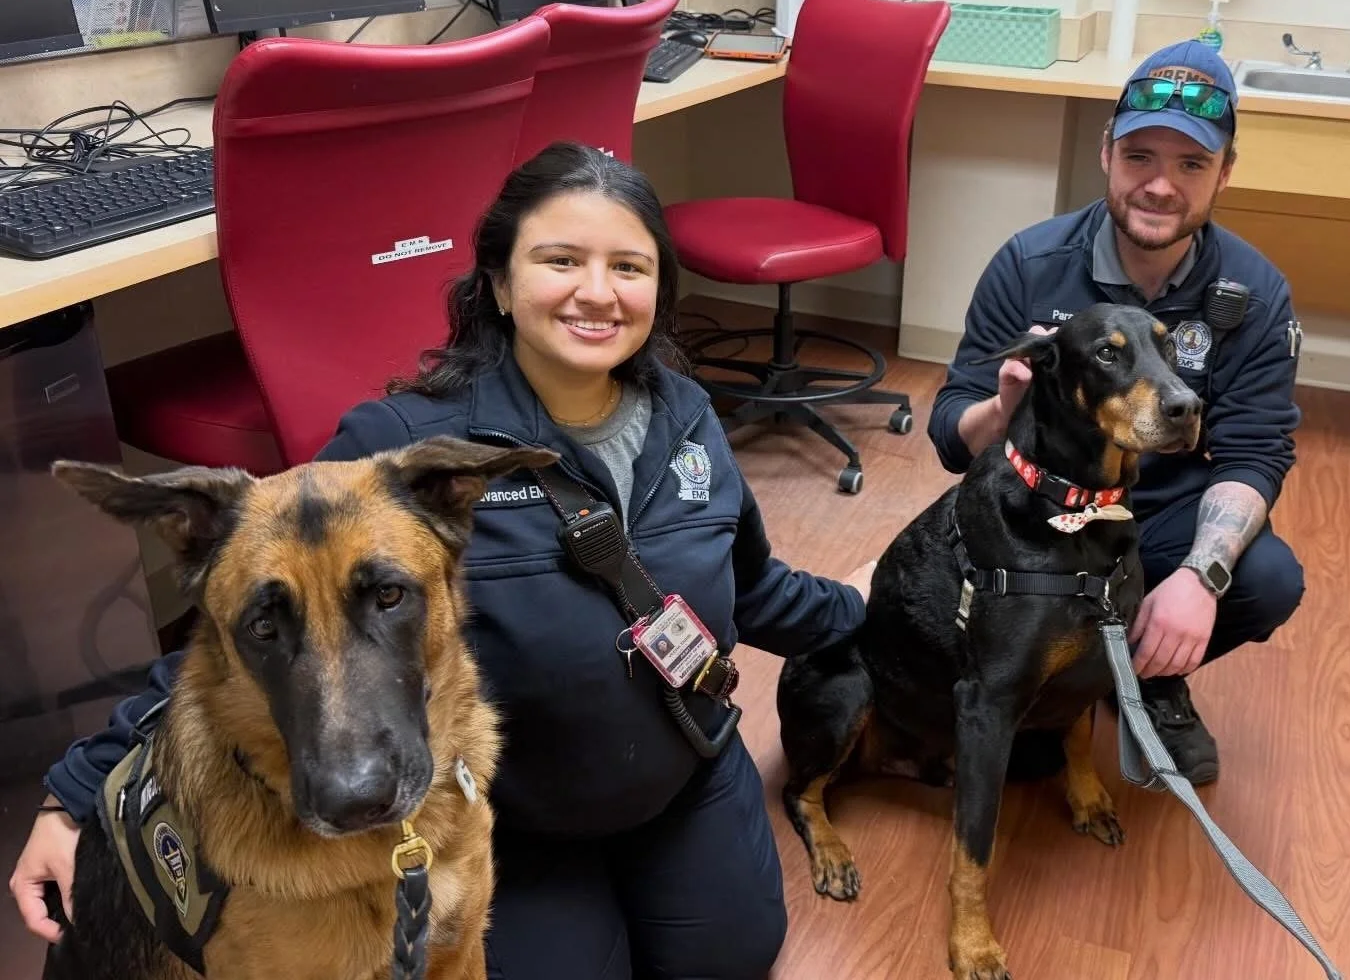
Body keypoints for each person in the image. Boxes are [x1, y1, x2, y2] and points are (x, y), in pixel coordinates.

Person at [11, 141, 876, 979]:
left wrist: (879, 606)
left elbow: (755, 587)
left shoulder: (687, 413)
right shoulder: (403, 453)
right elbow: (265, 615)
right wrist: (74, 793)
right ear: (499, 283)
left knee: (726, 956)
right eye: (561, 260)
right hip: (525, 811)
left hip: (683, 768)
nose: (596, 293)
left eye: (629, 267)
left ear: (659, 289)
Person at [926, 40, 1303, 786]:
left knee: (1263, 578)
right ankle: (1051, 681)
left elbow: (1254, 455)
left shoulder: (1256, 295)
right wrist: (1001, 413)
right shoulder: (1029, 264)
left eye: (1191, 164)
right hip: (1036, 515)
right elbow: (949, 431)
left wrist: (1200, 577)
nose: (1160, 186)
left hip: (1154, 516)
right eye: (1140, 158)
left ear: (1225, 172)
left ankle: (1146, 682)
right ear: (1106, 154)